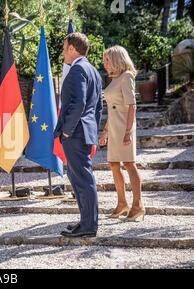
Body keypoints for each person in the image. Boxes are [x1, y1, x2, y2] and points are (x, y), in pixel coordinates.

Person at [54, 32, 103, 238]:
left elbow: (79, 104)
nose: (63, 52)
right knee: (78, 177)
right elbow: (98, 107)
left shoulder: (77, 70)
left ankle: (89, 225)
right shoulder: (93, 71)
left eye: (65, 48)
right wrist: (93, 128)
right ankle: (85, 221)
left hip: (75, 132)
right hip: (85, 130)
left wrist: (67, 130)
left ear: (73, 49)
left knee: (82, 178)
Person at [100, 46, 145, 222]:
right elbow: (112, 110)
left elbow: (132, 106)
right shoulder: (115, 79)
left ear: (117, 59)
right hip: (114, 127)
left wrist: (128, 132)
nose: (105, 64)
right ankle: (122, 204)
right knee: (113, 164)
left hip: (125, 127)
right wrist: (105, 132)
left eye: (107, 60)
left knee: (129, 164)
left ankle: (138, 206)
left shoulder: (126, 77)